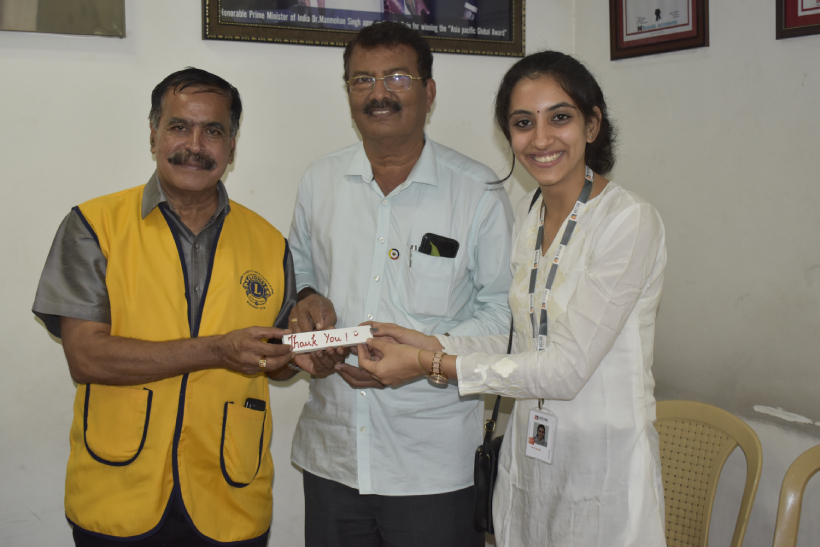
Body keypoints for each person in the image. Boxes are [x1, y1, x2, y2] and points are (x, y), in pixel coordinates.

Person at [357, 50, 668, 546]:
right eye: (523, 123)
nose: (540, 139)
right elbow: (520, 341)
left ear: (592, 125)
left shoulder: (627, 221)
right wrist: (427, 340)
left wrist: (427, 363)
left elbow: (565, 370)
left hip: (601, 472)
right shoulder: (529, 211)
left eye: (559, 118)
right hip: (529, 465)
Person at [31, 68, 313, 546]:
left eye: (213, 131)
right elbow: (86, 358)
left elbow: (274, 362)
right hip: (118, 493)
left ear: (232, 145)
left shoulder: (269, 243)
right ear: (153, 133)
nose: (195, 145)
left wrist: (305, 354)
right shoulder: (93, 227)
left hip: (231, 494)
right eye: (179, 126)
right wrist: (217, 351)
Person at [282, 21, 514, 547]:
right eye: (362, 80)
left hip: (432, 467)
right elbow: (298, 274)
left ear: (429, 92)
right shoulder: (319, 181)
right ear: (348, 93)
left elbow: (504, 317)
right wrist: (307, 304)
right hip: (333, 455)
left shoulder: (477, 191)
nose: (378, 93)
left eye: (397, 78)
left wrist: (422, 357)